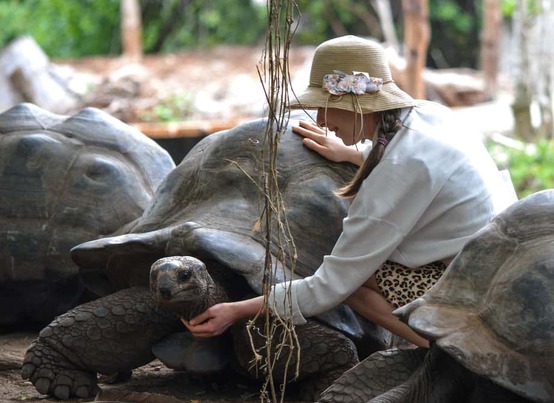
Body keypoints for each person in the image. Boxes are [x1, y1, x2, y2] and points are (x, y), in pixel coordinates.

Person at [183, 35, 515, 348]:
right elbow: (418, 164)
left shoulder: (395, 175)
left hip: (477, 292)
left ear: (355, 103)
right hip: (504, 267)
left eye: (325, 106)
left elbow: (330, 286)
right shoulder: (429, 115)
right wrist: (354, 153)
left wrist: (237, 310)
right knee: (359, 272)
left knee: (353, 284)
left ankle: (452, 350)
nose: (321, 119)